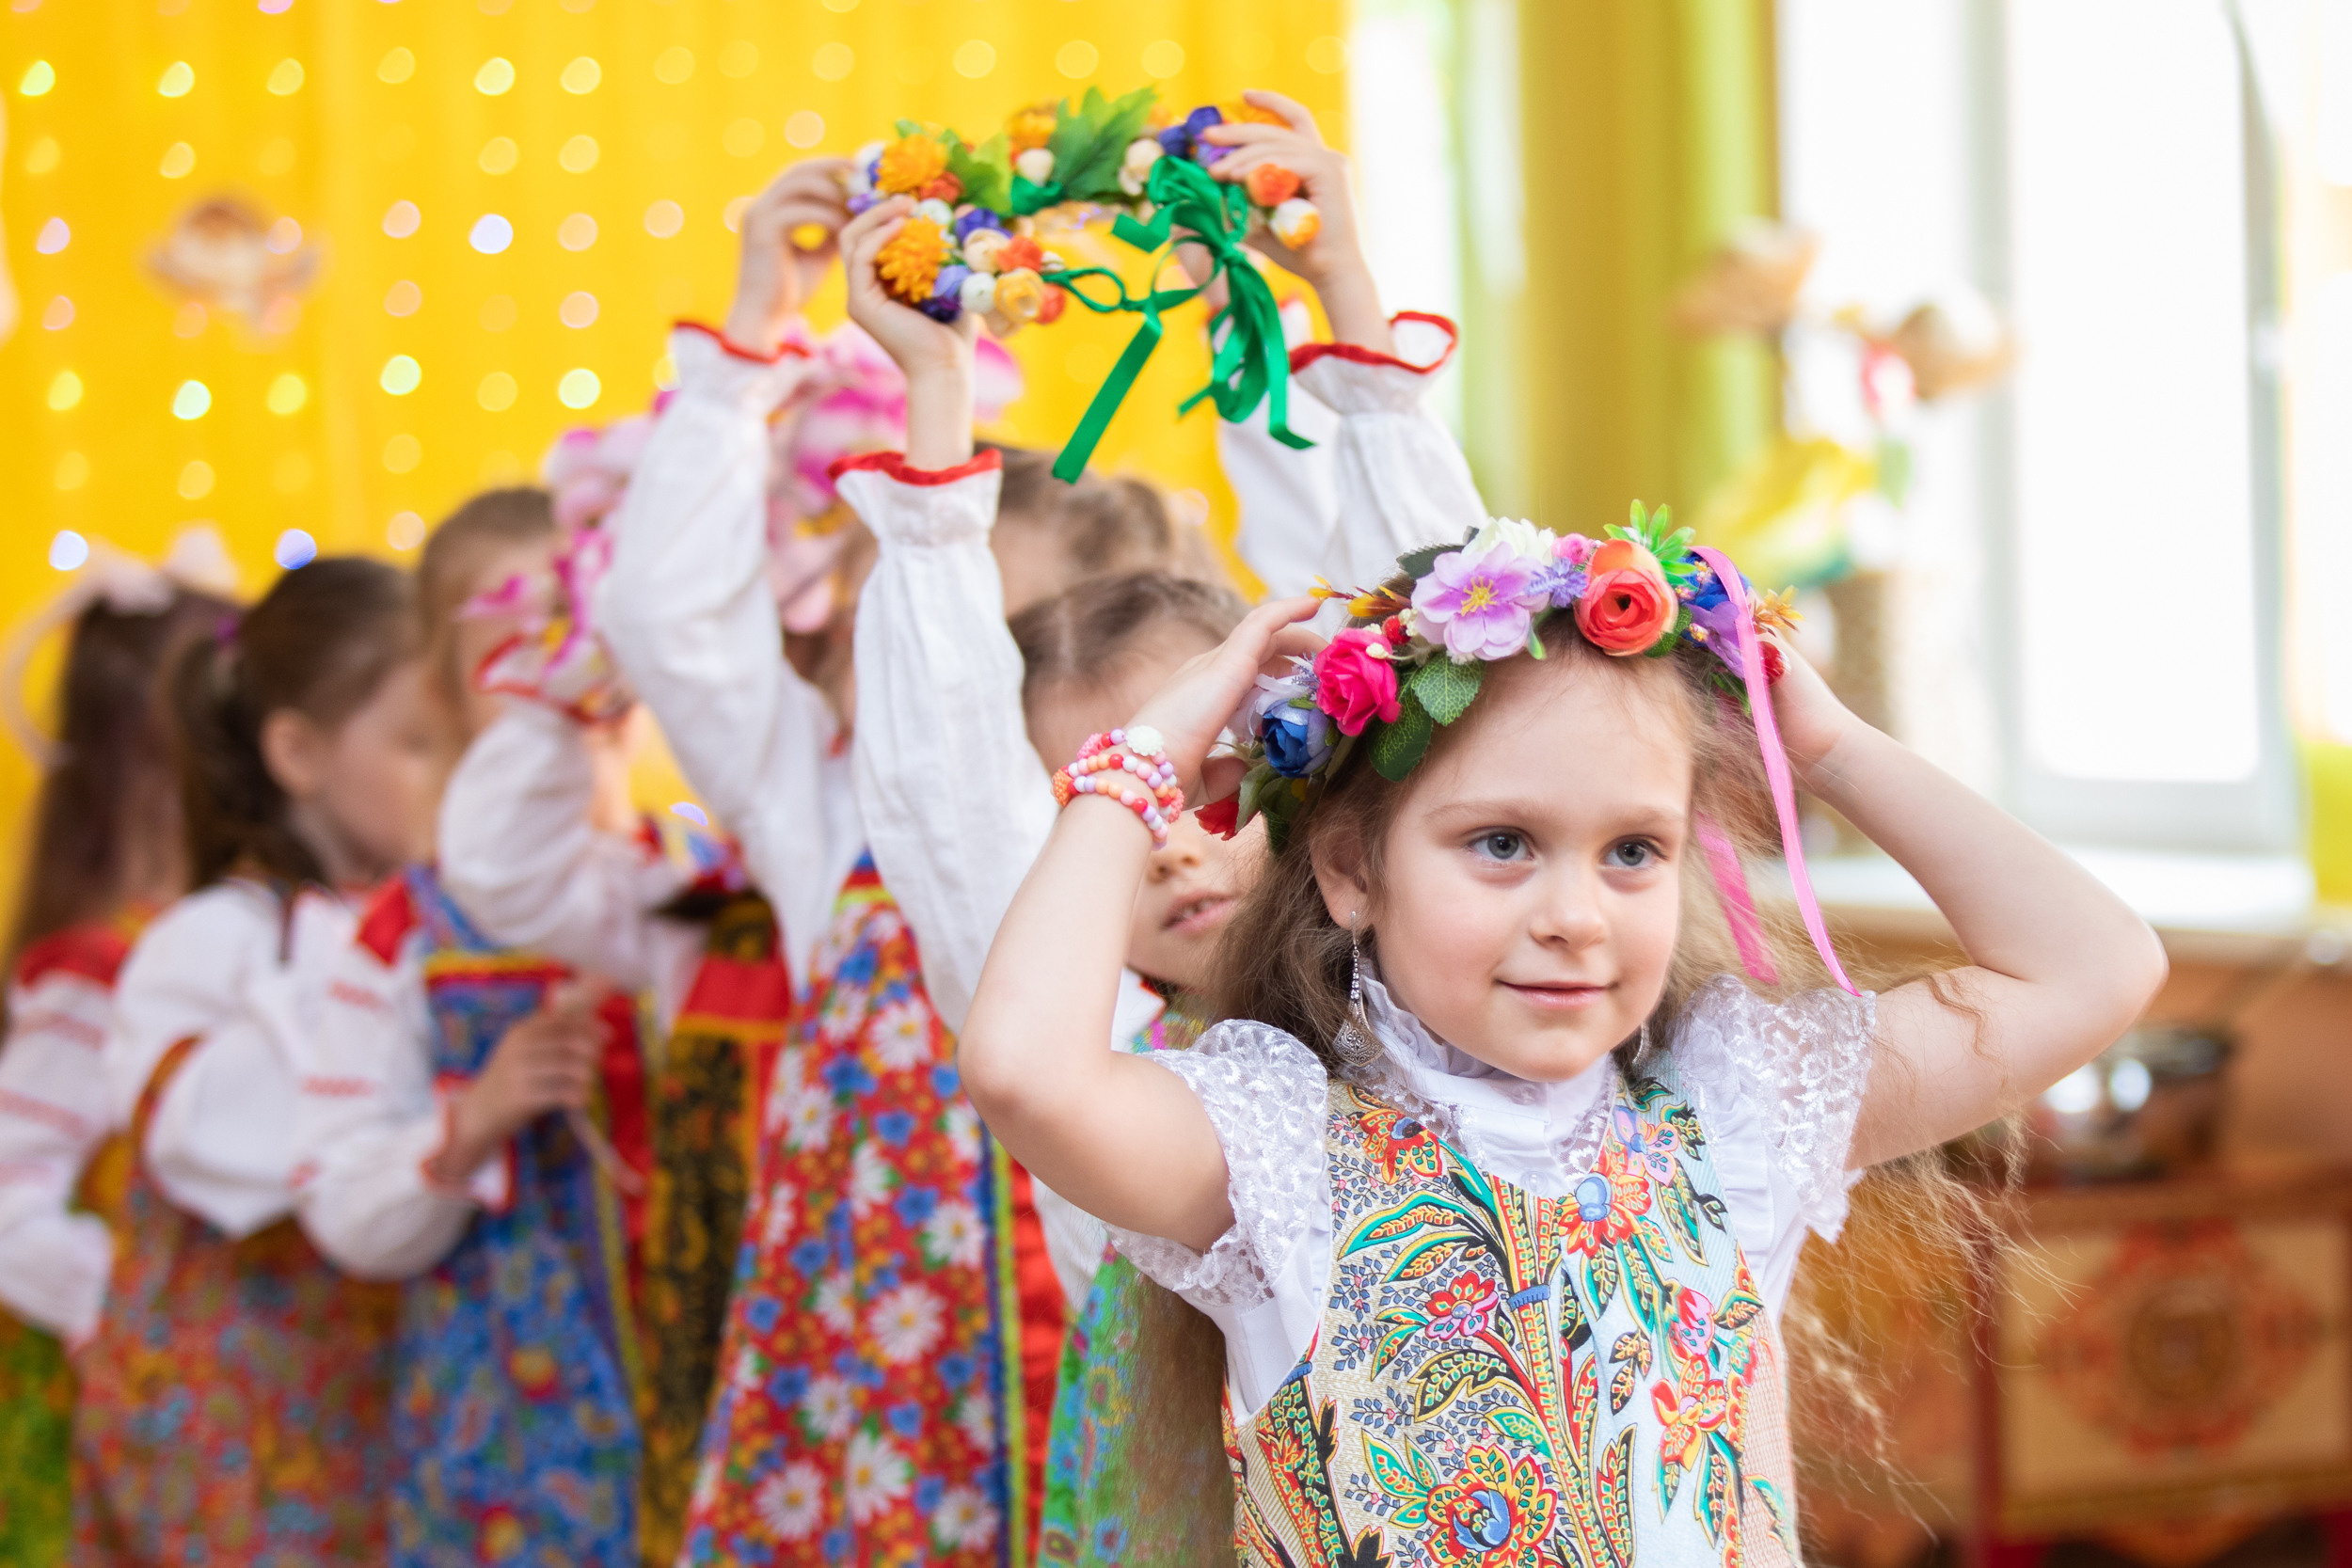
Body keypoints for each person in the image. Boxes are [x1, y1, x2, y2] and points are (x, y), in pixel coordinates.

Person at [957, 527, 2169, 1560]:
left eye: (1631, 849)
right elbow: (1022, 1067)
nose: (1574, 914)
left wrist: (1826, 746)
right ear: (1348, 867)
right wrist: (1139, 768)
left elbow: (2097, 965)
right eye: (1500, 842)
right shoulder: (1276, 1147)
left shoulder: (1733, 1108)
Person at [832, 87, 1491, 1567]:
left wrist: (1329, 294)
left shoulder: (1416, 1028)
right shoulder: (1103, 1068)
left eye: (1203, 796)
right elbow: (947, 792)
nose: (1176, 843)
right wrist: (936, 414)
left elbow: (1445, 644)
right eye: (1115, 818)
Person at [291, 489, 658, 1568]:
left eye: (588, 644)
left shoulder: (699, 895)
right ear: (450, 697)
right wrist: (471, 1121)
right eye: (519, 663)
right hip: (505, 1442)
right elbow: (344, 1204)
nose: (567, 684)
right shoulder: (404, 937)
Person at [75, 555, 439, 1564]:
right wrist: (365, 984)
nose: (453, 777)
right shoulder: (215, 939)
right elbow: (204, 1137)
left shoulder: (427, 931)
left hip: (379, 1415)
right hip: (239, 1437)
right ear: (298, 750)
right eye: (419, 742)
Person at [0, 536, 235, 1568]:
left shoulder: (226, 934)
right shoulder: (96, 974)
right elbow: (10, 1207)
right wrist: (136, 1316)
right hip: (120, 1420)